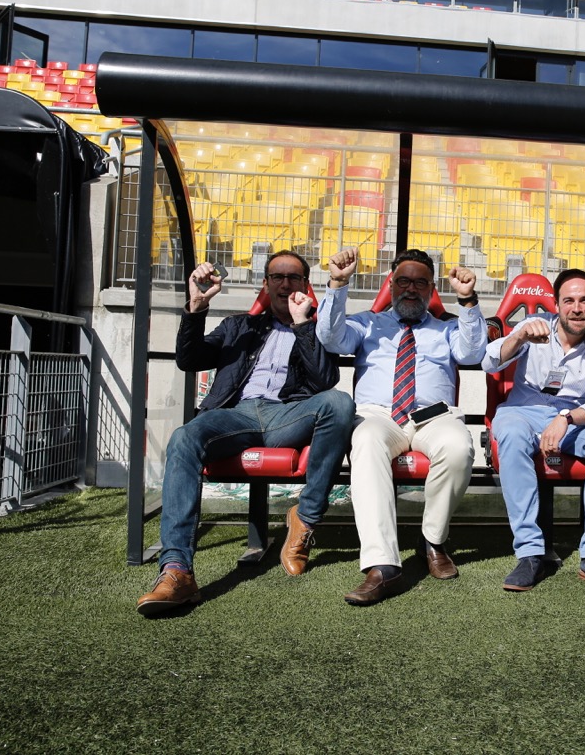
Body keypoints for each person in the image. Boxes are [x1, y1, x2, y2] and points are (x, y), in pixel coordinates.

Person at [137, 250, 356, 616]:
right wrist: (196, 307)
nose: (285, 284)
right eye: (277, 277)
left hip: (288, 416)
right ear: (266, 284)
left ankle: (305, 516)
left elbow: (326, 380)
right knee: (184, 437)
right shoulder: (239, 326)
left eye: (294, 277)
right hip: (233, 415)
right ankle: (177, 571)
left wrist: (303, 326)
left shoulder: (316, 328)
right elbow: (189, 360)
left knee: (339, 402)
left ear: (306, 285)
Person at [317, 247, 485, 606]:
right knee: (364, 441)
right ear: (390, 285)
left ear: (431, 289)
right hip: (379, 415)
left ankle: (433, 541)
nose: (411, 289)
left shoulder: (447, 328)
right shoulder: (367, 323)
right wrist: (337, 284)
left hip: (432, 417)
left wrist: (468, 300)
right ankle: (383, 564)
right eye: (404, 281)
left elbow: (472, 354)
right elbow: (330, 338)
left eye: (420, 282)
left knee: (459, 447)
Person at [482, 268, 585, 592]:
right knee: (511, 431)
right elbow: (489, 363)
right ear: (557, 305)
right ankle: (530, 553)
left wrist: (566, 418)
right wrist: (518, 336)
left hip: (573, 420)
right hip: (523, 412)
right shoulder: (533, 327)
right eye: (569, 300)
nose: (577, 308)